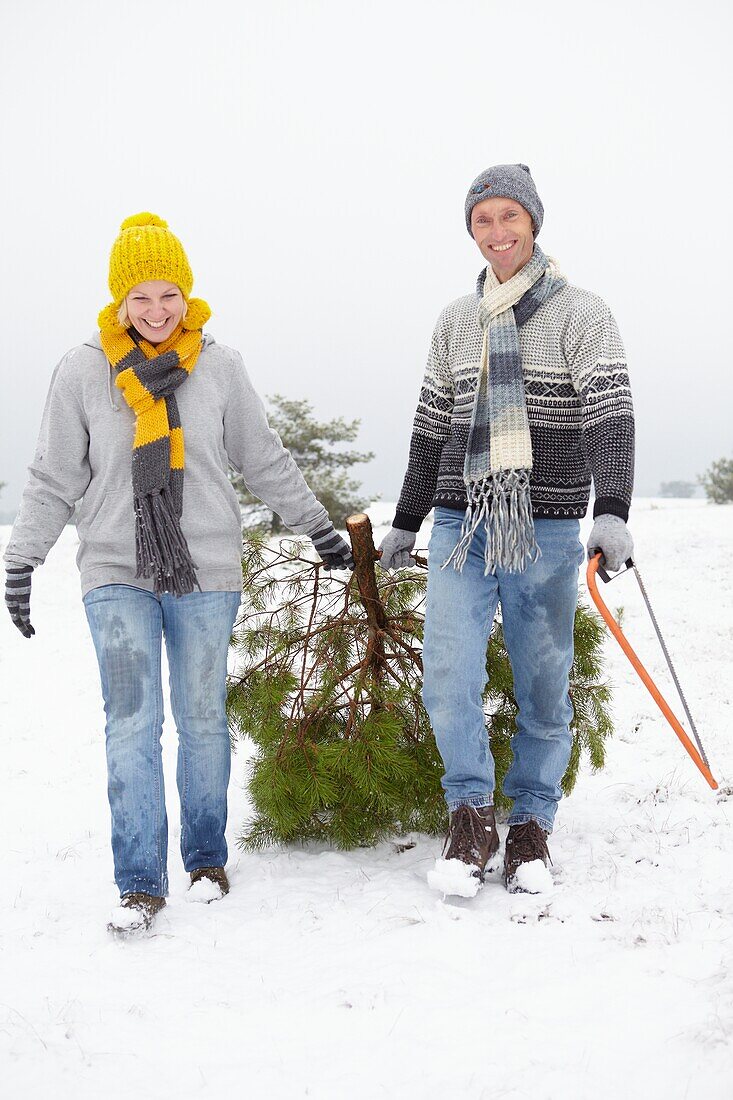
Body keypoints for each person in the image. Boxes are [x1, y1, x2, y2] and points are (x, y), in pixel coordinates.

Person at [4, 212, 353, 933]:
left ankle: (204, 859)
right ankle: (138, 881)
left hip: (205, 566)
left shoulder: (219, 367)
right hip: (114, 566)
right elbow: (52, 477)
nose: (157, 312)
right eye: (141, 299)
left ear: (186, 295)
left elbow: (262, 458)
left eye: (169, 296)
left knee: (201, 719)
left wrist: (316, 525)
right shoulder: (81, 370)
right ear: (119, 302)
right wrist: (22, 558)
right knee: (130, 724)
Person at [379, 164, 634, 892]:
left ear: (532, 222)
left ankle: (530, 824)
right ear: (471, 230)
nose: (497, 233)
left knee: (543, 686)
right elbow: (430, 429)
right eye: (482, 220)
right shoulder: (457, 321)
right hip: (462, 524)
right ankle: (468, 815)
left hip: (547, 529)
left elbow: (608, 418)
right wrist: (406, 519)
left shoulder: (582, 313)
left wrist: (610, 509)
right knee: (449, 676)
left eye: (507, 218)